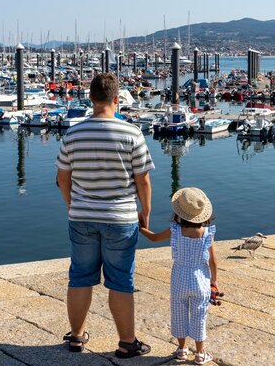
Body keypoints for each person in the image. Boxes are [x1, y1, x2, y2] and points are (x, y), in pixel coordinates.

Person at [56, 73, 154, 358]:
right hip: (121, 217)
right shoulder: (132, 133)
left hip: (82, 215)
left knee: (80, 276)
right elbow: (143, 180)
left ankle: (76, 337)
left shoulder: (73, 133)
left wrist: (72, 204)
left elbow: (63, 177)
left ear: (90, 98)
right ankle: (127, 342)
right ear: (116, 99)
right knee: (121, 280)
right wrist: (145, 212)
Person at [139, 187, 218, 365]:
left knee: (179, 312)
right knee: (199, 315)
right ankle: (200, 353)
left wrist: (141, 228)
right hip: (200, 279)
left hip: (179, 278)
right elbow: (213, 261)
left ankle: (181, 349)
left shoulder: (175, 230)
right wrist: (214, 281)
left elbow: (153, 238)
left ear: (179, 213)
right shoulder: (207, 233)